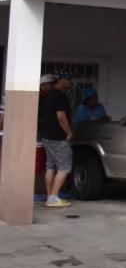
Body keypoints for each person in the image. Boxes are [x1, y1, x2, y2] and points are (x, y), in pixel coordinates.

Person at [37, 71, 74, 207]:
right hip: (58, 138)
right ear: (61, 80)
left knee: (50, 166)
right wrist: (69, 132)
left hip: (47, 137)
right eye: (69, 79)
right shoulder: (60, 96)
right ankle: (53, 198)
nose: (71, 82)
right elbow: (60, 116)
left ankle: (50, 196)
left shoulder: (48, 96)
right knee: (64, 167)